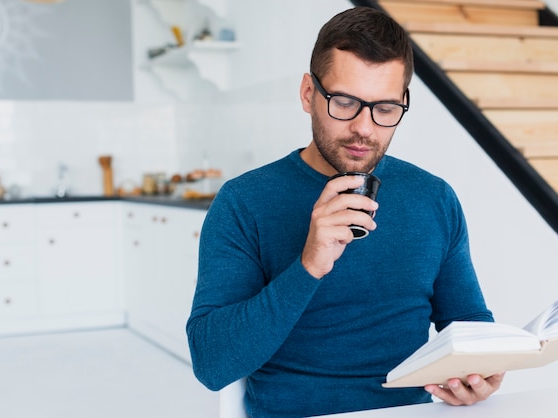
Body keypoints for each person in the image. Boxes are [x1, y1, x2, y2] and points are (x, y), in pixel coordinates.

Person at [187, 7, 503, 417]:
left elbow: (468, 325)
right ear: (308, 94)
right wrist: (308, 265)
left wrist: (479, 374)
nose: (365, 129)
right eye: (345, 102)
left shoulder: (434, 198)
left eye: (386, 109)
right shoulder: (243, 202)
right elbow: (212, 365)